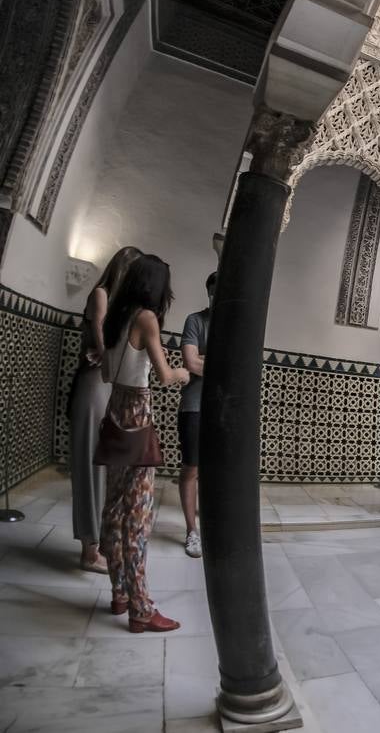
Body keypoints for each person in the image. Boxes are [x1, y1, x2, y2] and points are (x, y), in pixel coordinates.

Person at [97, 255, 190, 633]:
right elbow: (166, 375)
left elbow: (106, 371)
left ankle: (119, 592)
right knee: (138, 517)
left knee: (115, 508)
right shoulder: (146, 318)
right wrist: (182, 373)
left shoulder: (116, 316)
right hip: (137, 418)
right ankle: (141, 609)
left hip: (114, 416)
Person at [69, 245, 142, 573]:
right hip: (94, 383)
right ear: (123, 270)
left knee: (107, 464)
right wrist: (108, 354)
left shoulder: (124, 305)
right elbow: (101, 339)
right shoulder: (101, 293)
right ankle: (89, 550)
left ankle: (99, 542)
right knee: (89, 462)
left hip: (109, 383)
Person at [176, 272, 215, 559]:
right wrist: (222, 363)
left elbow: (243, 365)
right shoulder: (195, 321)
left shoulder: (237, 324)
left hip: (225, 408)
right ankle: (191, 531)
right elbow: (189, 362)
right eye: (213, 293)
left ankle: (215, 526)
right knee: (192, 468)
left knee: (216, 471)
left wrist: (204, 358)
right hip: (195, 406)